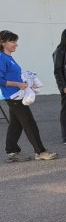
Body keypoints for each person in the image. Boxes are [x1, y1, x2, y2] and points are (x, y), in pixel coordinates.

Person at [0, 30, 57, 163]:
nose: (16, 44)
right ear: (2, 43)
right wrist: (18, 84)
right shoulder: (2, 58)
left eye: (16, 41)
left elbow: (12, 76)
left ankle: (12, 152)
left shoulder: (9, 58)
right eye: (12, 41)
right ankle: (40, 152)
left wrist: (27, 82)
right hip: (13, 96)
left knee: (16, 124)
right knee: (29, 123)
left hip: (17, 94)